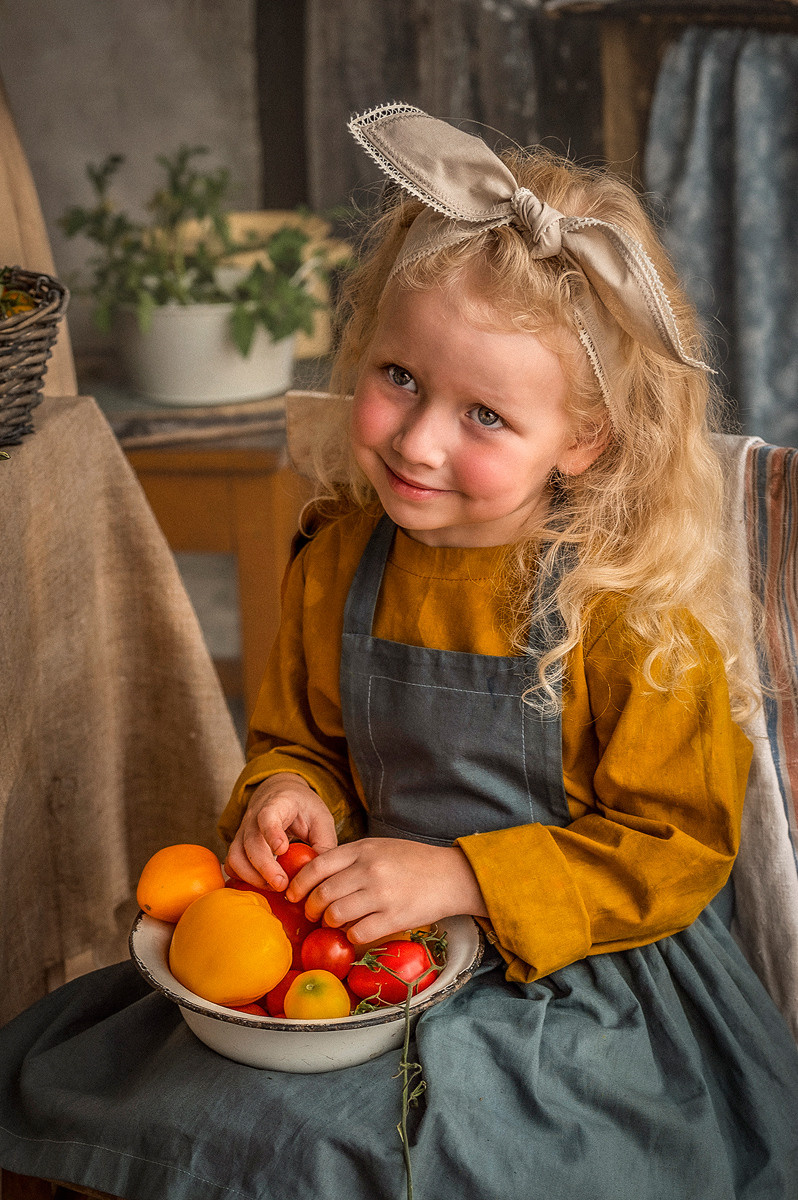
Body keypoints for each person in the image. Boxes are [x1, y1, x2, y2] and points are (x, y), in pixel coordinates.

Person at [1, 103, 798, 1200]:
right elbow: (303, 738)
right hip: (365, 949)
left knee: (414, 1149)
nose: (418, 440)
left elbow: (675, 847)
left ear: (585, 438)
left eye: (485, 416)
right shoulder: (341, 554)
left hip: (579, 981)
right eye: (400, 379)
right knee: (142, 1094)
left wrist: (463, 874)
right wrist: (289, 794)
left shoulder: (631, 607)